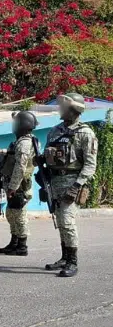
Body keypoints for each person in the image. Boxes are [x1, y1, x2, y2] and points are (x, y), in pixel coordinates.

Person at [42, 93, 97, 278]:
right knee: (60, 222)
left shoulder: (85, 133)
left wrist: (77, 186)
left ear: (74, 109)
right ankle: (64, 257)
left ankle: (73, 261)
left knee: (67, 221)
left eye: (64, 107)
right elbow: (47, 155)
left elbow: (90, 164)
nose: (61, 110)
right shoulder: (55, 131)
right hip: (55, 183)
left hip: (72, 183)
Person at [0, 111, 38, 256]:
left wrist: (13, 187)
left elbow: (20, 167)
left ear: (23, 125)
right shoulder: (20, 142)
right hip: (14, 185)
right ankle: (14, 242)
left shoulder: (25, 144)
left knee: (19, 215)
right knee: (11, 213)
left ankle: (22, 245)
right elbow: (14, 157)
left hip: (19, 186)